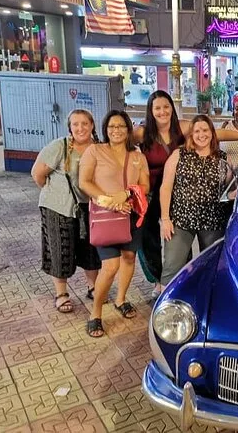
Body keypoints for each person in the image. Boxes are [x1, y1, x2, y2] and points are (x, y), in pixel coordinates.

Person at [79, 110, 150, 338]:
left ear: (128, 129)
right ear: (105, 129)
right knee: (110, 266)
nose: (116, 130)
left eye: (121, 126)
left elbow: (145, 185)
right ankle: (95, 313)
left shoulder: (137, 155)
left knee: (129, 257)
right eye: (111, 126)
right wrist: (110, 202)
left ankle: (120, 299)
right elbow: (84, 182)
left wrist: (126, 195)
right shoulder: (95, 151)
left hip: (132, 214)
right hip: (106, 216)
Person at [31, 109, 101, 313]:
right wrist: (56, 194)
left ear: (92, 125)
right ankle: (61, 293)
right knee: (60, 249)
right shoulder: (60, 146)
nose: (80, 128)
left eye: (84, 123)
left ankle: (93, 287)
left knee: (91, 249)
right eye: (75, 124)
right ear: (69, 127)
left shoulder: (98, 148)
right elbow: (37, 174)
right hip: (58, 207)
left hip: (89, 207)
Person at [159, 115, 231, 287]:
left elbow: (229, 189)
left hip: (213, 220)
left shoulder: (222, 157)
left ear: (212, 133)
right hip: (181, 219)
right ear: (191, 134)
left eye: (205, 130)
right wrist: (165, 219)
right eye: (197, 131)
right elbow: (166, 187)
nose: (201, 135)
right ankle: (167, 300)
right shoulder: (179, 154)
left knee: (212, 266)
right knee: (172, 266)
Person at [139, 91, 185, 299]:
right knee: (149, 238)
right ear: (150, 111)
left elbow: (212, 132)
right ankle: (157, 279)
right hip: (149, 193)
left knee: (177, 235)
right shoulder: (142, 133)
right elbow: (116, 137)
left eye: (166, 106)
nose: (162, 111)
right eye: (157, 108)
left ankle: (177, 276)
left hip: (176, 192)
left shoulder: (181, 128)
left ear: (172, 108)